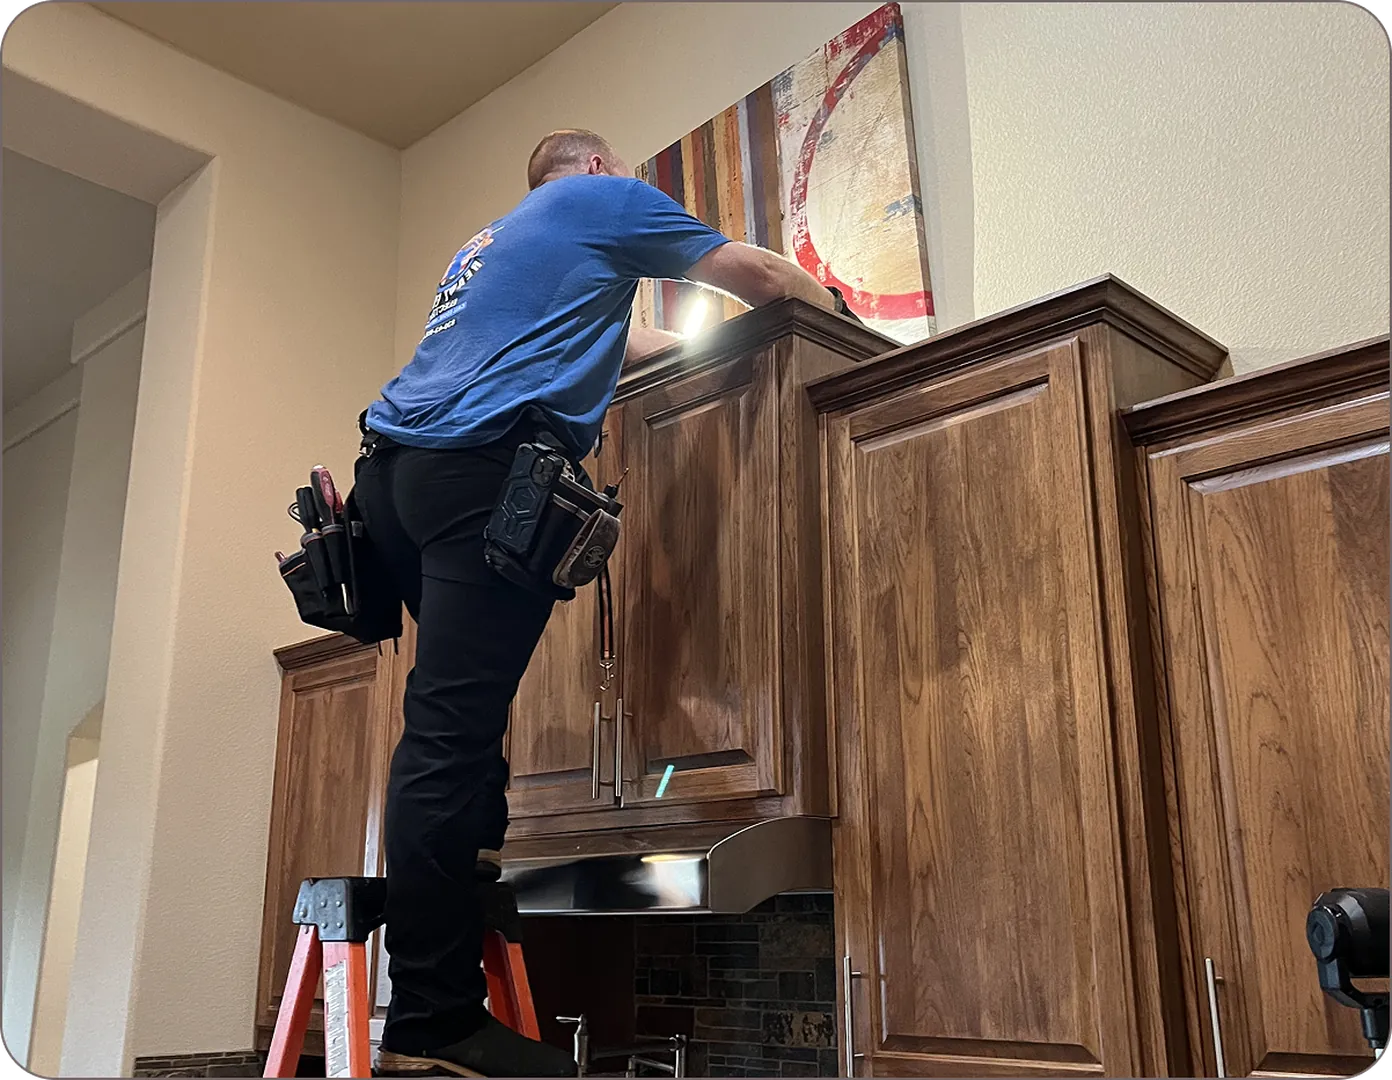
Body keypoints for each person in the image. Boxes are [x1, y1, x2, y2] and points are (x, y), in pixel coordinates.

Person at [354, 129, 839, 1078]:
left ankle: (469, 898)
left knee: (462, 719)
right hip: (477, 472)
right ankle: (432, 1018)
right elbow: (764, 282)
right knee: (450, 731)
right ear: (598, 169)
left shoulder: (490, 251)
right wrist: (849, 326)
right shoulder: (600, 201)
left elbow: (642, 348)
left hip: (394, 484)